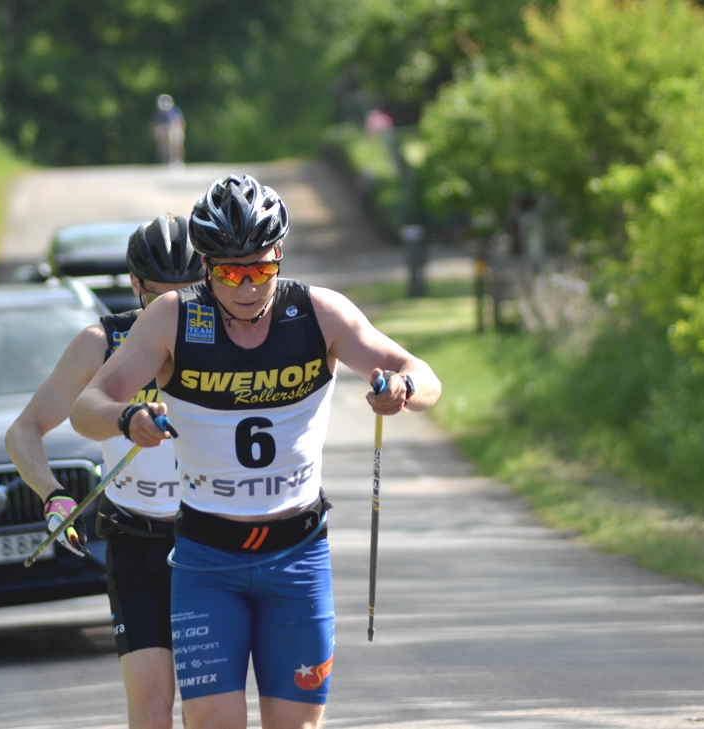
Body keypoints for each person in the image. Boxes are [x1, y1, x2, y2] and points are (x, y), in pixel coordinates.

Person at [70, 174, 441, 729]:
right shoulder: (172, 318)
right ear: (207, 267)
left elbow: (423, 374)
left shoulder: (320, 312)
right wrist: (126, 418)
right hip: (207, 563)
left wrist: (404, 389)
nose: (247, 287)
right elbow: (87, 406)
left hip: (297, 558)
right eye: (229, 273)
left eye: (261, 270)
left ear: (280, 255)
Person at [5, 214, 204, 729]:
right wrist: (53, 494)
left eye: (189, 295)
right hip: (136, 543)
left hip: (209, 541)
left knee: (205, 708)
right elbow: (24, 430)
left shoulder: (228, 340)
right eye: (160, 297)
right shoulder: (103, 342)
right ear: (135, 285)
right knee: (151, 707)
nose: (174, 310)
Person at [152, 94, 185, 168]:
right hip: (165, 129)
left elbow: (180, 121)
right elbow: (156, 124)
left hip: (175, 128)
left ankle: (178, 160)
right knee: (165, 144)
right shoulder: (159, 113)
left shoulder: (175, 110)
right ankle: (167, 159)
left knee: (177, 144)